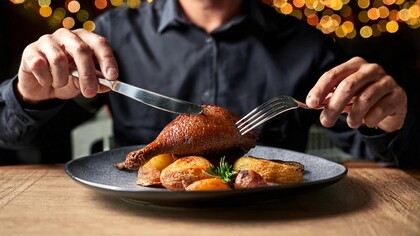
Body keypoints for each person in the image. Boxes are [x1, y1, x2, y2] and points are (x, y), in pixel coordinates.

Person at [0, 0, 415, 168]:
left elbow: (379, 148)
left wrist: (391, 121)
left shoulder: (304, 43)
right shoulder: (114, 34)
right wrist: (28, 97)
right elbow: (16, 139)